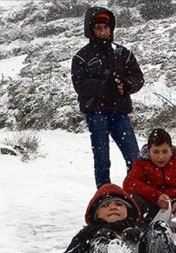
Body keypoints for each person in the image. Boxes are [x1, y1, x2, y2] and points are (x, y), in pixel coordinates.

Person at [71, 7, 144, 188]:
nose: (103, 31)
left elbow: (138, 77)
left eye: (106, 27)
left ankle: (136, 195)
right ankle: (105, 197)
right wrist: (105, 86)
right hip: (96, 114)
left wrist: (126, 85)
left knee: (134, 159)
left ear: (111, 28)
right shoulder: (81, 57)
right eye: (98, 28)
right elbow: (79, 84)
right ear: (91, 30)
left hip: (120, 112)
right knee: (102, 160)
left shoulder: (123, 53)